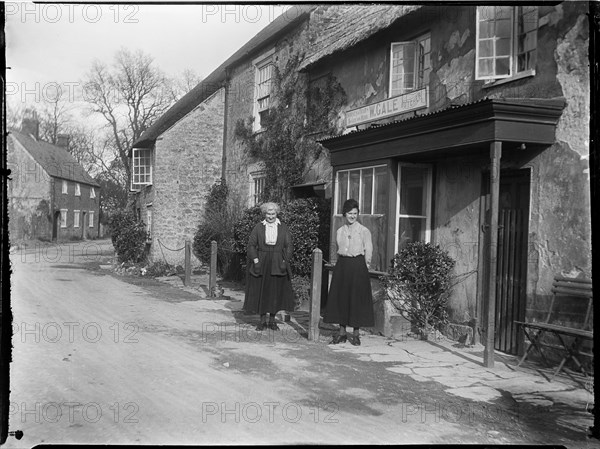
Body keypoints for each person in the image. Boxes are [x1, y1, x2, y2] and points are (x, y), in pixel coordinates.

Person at [324, 198, 374, 346]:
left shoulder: (364, 231)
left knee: (356, 299)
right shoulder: (340, 231)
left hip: (358, 266)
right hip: (343, 266)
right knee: (341, 299)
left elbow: (368, 250)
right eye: (349, 213)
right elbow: (338, 249)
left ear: (358, 214)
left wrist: (365, 267)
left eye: (355, 213)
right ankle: (341, 333)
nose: (352, 216)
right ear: (344, 214)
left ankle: (356, 334)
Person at [243, 202, 296, 331]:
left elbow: (289, 245)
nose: (270, 216)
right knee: (262, 290)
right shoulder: (258, 227)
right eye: (268, 213)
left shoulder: (283, 227)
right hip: (262, 261)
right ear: (264, 214)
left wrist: (285, 261)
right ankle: (262, 321)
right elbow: (251, 245)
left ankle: (272, 321)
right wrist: (256, 260)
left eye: (273, 213)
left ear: (277, 214)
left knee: (275, 292)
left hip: (277, 262)